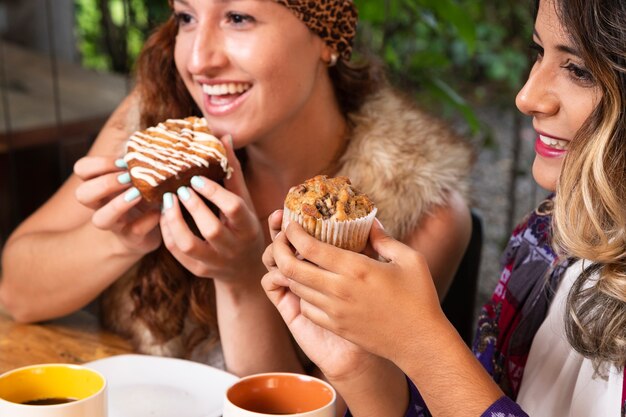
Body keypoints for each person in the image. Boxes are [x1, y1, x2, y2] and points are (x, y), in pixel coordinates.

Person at [0, 0, 473, 378]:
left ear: (326, 38)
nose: (199, 60)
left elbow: (323, 412)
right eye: (186, 17)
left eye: (238, 18)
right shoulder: (155, 119)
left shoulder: (420, 208)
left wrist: (240, 277)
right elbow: (16, 292)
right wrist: (120, 239)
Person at [262, 0, 626, 415]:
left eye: (579, 70)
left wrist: (422, 343)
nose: (526, 97)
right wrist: (359, 364)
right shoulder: (543, 240)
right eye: (539, 52)